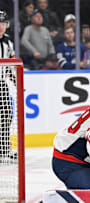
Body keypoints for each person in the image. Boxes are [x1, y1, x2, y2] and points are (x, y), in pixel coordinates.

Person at [0, 10, 17, 162]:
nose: (1, 26)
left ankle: (4, 149)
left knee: (6, 116)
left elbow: (12, 64)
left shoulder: (8, 42)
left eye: (3, 23)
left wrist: (15, 80)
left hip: (1, 84)